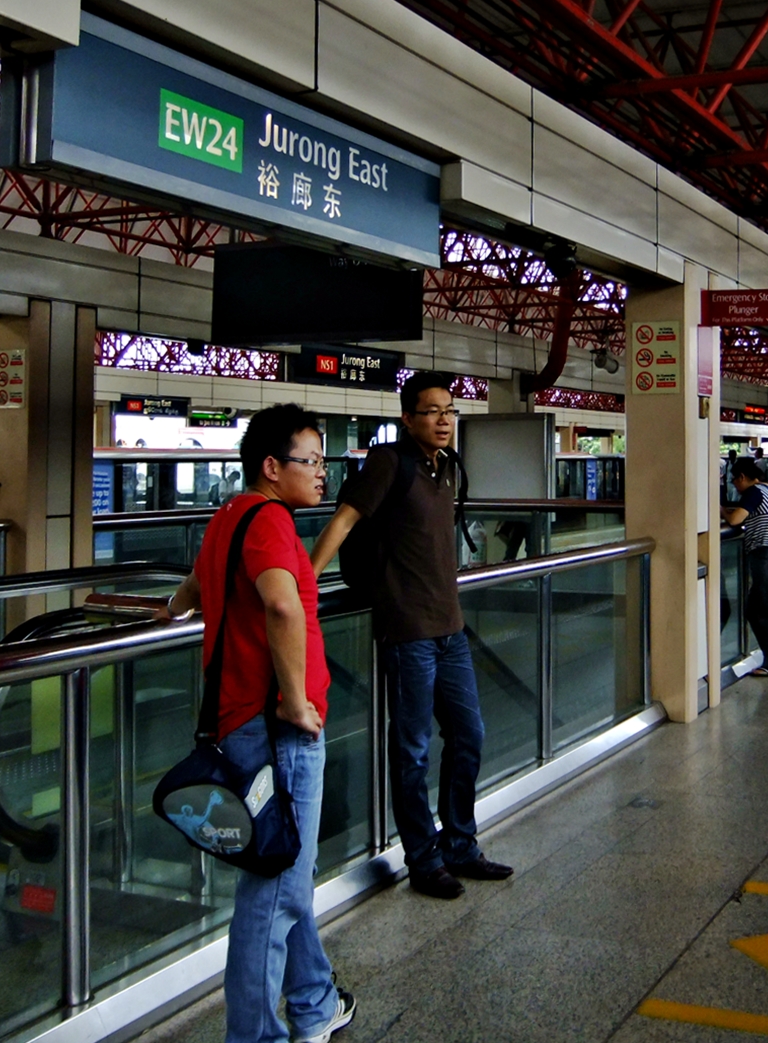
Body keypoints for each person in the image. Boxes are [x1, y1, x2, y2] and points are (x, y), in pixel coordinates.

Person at [163, 405, 355, 1043]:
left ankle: (313, 1002)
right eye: (311, 461)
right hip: (277, 730)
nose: (322, 474)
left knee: (284, 876)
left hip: (237, 722)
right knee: (271, 895)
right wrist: (298, 699)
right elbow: (279, 602)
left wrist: (172, 609)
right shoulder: (271, 521)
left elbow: (191, 589)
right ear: (272, 468)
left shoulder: (229, 517)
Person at [310, 372, 512, 900]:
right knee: (413, 750)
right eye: (431, 411)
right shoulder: (387, 463)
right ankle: (423, 859)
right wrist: (305, 583)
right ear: (407, 418)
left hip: (450, 627)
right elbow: (344, 520)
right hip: (407, 631)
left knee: (469, 736)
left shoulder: (444, 467)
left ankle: (460, 845)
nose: (444, 420)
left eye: (450, 410)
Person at [722, 460, 768, 677]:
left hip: (766, 556)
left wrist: (721, 510)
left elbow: (735, 520)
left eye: (734, 480)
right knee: (755, 610)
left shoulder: (753, 492)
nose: (734, 485)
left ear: (742, 477)